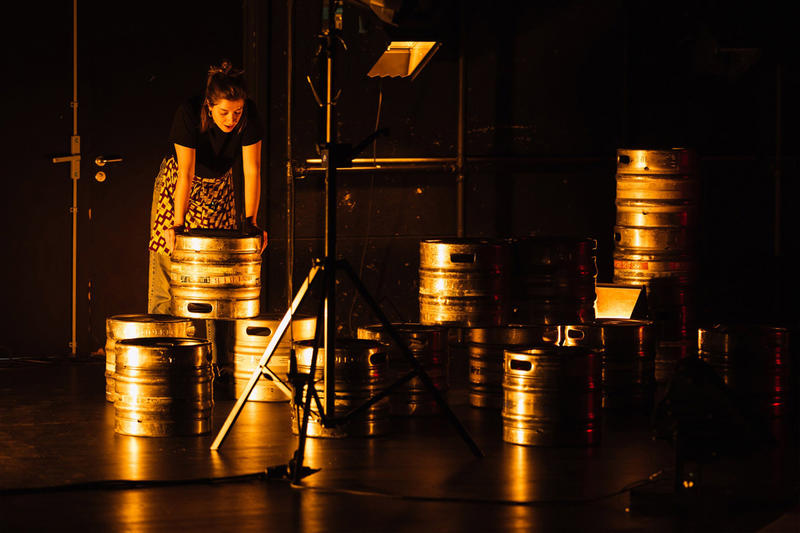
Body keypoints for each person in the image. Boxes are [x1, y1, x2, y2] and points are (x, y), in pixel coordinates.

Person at [147, 60, 268, 366]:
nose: (231, 119)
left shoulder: (248, 115)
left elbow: (252, 169)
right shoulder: (188, 113)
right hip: (180, 185)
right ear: (209, 105)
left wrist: (251, 222)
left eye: (237, 112)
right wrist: (176, 225)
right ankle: (165, 356)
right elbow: (186, 174)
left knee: (218, 271)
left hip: (219, 186)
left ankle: (217, 362)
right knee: (170, 261)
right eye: (224, 112)